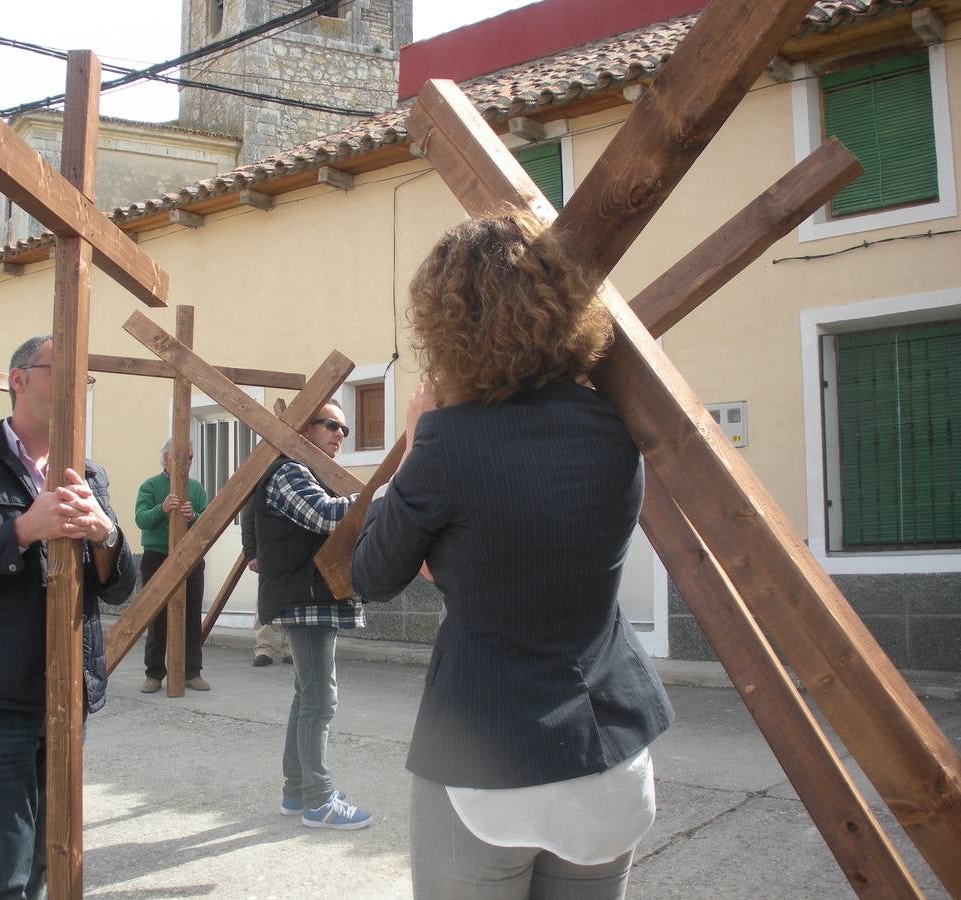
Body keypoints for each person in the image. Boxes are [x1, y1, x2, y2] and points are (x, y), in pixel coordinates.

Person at [352, 210, 674, 898]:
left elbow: (373, 575)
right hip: (611, 757)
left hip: (489, 768)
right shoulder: (617, 430)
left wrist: (416, 437)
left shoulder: (447, 444)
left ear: (449, 325)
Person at [0, 335, 137, 900]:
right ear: (19, 379)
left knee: (52, 853)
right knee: (5, 866)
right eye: (59, 372)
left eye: (83, 378)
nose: (75, 388)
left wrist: (104, 534)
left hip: (69, 689)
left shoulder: (87, 472)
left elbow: (118, 589)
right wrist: (21, 530)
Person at [255, 402, 373, 830]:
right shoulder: (290, 470)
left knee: (307, 697)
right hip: (304, 600)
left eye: (345, 427)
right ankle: (319, 800)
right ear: (303, 428)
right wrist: (376, 496)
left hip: (312, 597)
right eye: (331, 425)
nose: (340, 433)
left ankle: (296, 791)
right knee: (321, 700)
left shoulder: (309, 473)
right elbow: (325, 516)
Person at [136, 439, 210, 693]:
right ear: (165, 459)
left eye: (190, 457)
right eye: (181, 457)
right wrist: (162, 508)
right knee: (156, 616)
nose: (187, 462)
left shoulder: (196, 489)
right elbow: (141, 519)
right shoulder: (150, 486)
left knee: (191, 614)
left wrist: (193, 517)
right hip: (157, 556)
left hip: (190, 557)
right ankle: (154, 673)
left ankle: (192, 672)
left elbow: (208, 525)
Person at [240, 488, 291, 667]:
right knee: (264, 600)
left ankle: (290, 649)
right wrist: (251, 555)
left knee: (292, 600)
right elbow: (247, 523)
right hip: (267, 555)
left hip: (293, 554)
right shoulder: (259, 489)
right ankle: (263, 649)